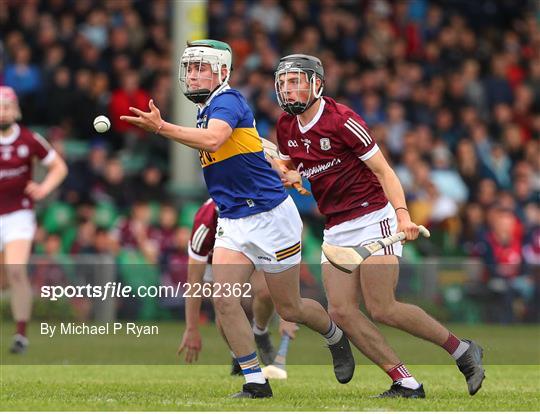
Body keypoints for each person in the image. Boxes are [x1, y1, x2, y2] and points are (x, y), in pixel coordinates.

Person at [120, 40, 354, 398]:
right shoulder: (209, 109)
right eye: (191, 68)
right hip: (233, 219)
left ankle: (334, 336)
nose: (194, 75)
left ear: (223, 73)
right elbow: (248, 142)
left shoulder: (227, 101)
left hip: (271, 218)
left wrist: (161, 127)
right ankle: (255, 381)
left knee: (289, 306)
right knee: (224, 299)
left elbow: (214, 141)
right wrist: (273, 159)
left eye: (202, 68)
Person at [273, 54, 485, 398]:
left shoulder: (342, 120)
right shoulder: (285, 126)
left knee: (382, 306)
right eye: (283, 82)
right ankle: (405, 382)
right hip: (337, 226)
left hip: (374, 217)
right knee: (340, 311)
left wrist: (402, 215)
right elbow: (293, 162)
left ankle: (462, 350)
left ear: (316, 84)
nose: (288, 88)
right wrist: (292, 173)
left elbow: (384, 171)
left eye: (295, 80)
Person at [177, 198, 298, 375]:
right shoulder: (204, 223)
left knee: (265, 292)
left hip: (251, 244)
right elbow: (194, 281)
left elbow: (283, 263)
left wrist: (288, 313)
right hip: (214, 261)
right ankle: (239, 357)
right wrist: (191, 329)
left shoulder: (258, 209)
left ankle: (260, 332)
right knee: (224, 305)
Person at [0, 86, 68, 353]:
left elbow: (59, 167)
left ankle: (20, 336)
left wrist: (43, 188)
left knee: (16, 270)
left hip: (19, 214)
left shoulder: (29, 139)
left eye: (6, 106)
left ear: (15, 110)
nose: (2, 111)